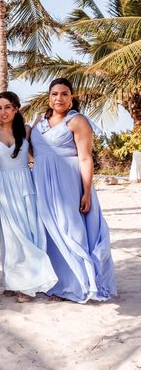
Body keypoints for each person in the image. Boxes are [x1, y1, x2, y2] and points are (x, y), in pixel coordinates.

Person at [30, 78, 116, 302]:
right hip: (41, 184)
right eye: (55, 94)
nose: (59, 98)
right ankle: (59, 284)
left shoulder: (77, 121)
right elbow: (30, 149)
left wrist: (86, 191)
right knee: (50, 232)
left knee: (70, 230)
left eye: (64, 94)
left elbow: (86, 158)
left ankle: (78, 285)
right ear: (49, 97)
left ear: (71, 98)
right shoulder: (39, 121)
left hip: (68, 183)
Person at [0, 92, 57, 302]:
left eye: (8, 107)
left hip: (26, 185)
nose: (3, 112)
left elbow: (41, 155)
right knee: (9, 236)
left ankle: (27, 285)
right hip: (2, 187)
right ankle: (15, 281)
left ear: (16, 108)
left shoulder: (27, 130)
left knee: (28, 232)